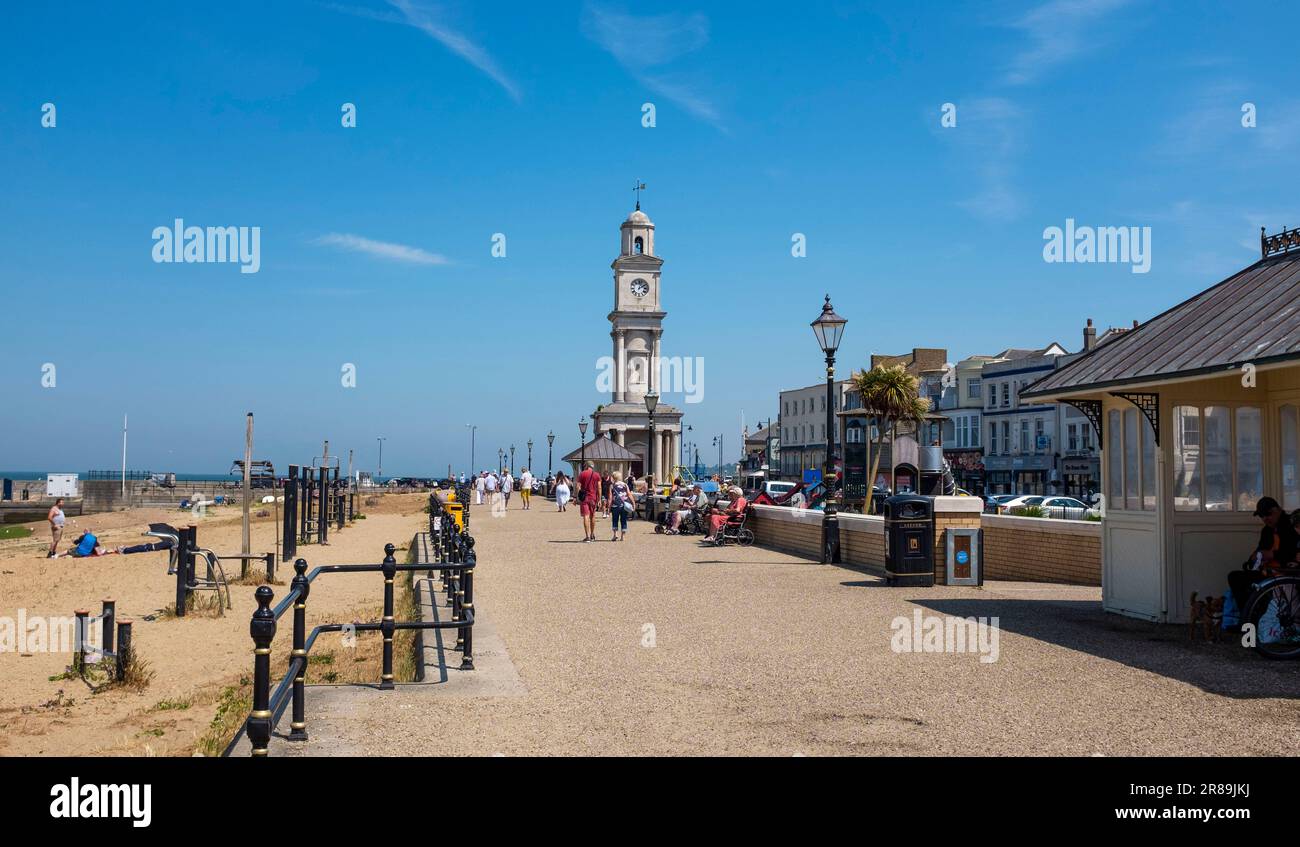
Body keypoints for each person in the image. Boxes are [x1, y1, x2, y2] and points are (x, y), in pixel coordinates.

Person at [1228, 496, 1299, 614]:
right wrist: (1254, 558)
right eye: (1262, 516)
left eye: (1268, 514)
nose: (1265, 518)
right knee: (1235, 577)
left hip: (1285, 572)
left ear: (1278, 510)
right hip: (1267, 571)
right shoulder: (1266, 531)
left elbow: (1293, 551)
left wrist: (1272, 554)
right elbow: (1260, 551)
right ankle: (1248, 616)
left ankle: (1254, 616)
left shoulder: (1291, 525)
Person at [577, 461, 601, 542]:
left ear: (586, 466)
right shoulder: (597, 475)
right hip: (593, 498)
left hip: (584, 498)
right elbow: (599, 488)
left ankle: (587, 536)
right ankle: (592, 534)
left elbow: (578, 486)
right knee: (592, 516)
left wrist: (578, 496)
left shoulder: (582, 474)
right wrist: (599, 499)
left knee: (586, 516)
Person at [608, 470, 634, 541]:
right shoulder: (625, 485)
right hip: (624, 505)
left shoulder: (612, 486)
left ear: (613, 477)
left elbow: (610, 498)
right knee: (623, 520)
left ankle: (615, 534)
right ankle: (623, 536)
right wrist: (633, 503)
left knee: (615, 520)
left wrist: (608, 508)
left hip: (615, 505)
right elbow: (629, 494)